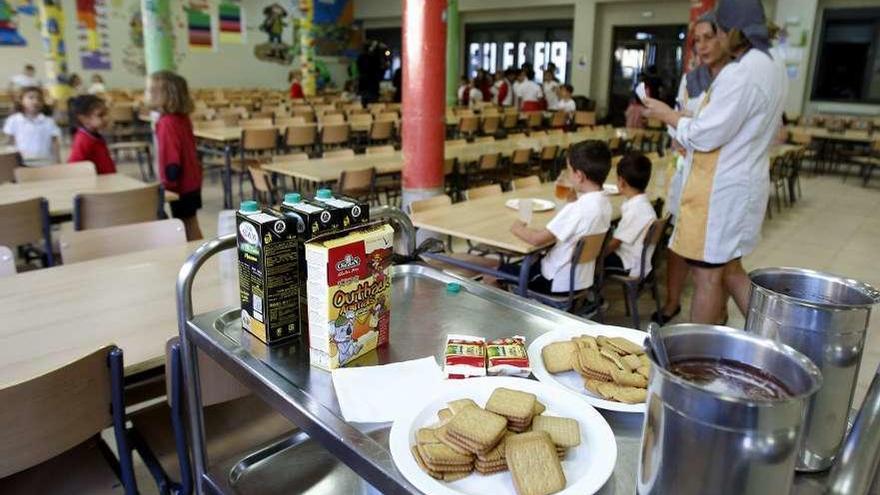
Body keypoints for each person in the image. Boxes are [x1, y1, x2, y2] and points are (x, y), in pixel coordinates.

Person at [643, 0, 786, 324]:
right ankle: (773, 337)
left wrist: (668, 115)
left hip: (720, 190)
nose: (714, 41)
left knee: (707, 276)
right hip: (743, 180)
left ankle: (697, 365)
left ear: (732, 31)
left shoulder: (741, 73)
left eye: (717, 32)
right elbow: (728, 121)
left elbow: (707, 134)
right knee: (731, 269)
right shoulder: (772, 62)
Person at [653, 15, 731, 324]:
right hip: (686, 167)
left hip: (715, 174)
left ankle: (718, 315)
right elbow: (679, 117)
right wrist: (679, 133)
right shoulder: (691, 79)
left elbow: (709, 128)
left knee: (717, 260)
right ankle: (672, 302)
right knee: (677, 239)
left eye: (707, 38)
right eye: (696, 41)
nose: (701, 47)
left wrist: (687, 127)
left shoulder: (734, 79)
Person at [503, 140, 613, 294]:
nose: (567, 174)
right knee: (531, 260)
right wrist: (571, 202)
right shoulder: (604, 202)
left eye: (569, 170)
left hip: (554, 281)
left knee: (494, 273)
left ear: (579, 175)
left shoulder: (579, 208)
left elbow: (536, 239)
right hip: (580, 280)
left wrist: (517, 227)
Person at [147, 71, 204, 241]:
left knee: (185, 224)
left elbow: (171, 159)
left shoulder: (167, 123)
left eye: (151, 91)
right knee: (191, 222)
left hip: (180, 184)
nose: (149, 94)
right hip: (192, 180)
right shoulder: (182, 118)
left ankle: (197, 259)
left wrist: (168, 186)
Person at [604, 153, 657, 277]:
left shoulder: (636, 210)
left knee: (588, 262)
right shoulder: (642, 203)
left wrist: (595, 257)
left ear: (621, 182)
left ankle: (592, 292)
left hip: (629, 263)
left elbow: (614, 244)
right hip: (637, 258)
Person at [2, 86, 61, 165]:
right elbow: (9, 142)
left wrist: (58, 161)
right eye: (31, 98)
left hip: (44, 161)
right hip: (22, 162)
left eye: (39, 99)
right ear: (21, 100)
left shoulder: (48, 121)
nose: (35, 101)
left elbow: (55, 143)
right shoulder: (13, 120)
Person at [68, 94, 115, 174]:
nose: (106, 118)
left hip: (107, 181)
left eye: (106, 114)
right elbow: (74, 166)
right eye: (100, 115)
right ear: (84, 119)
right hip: (98, 184)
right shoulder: (83, 139)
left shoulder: (94, 135)